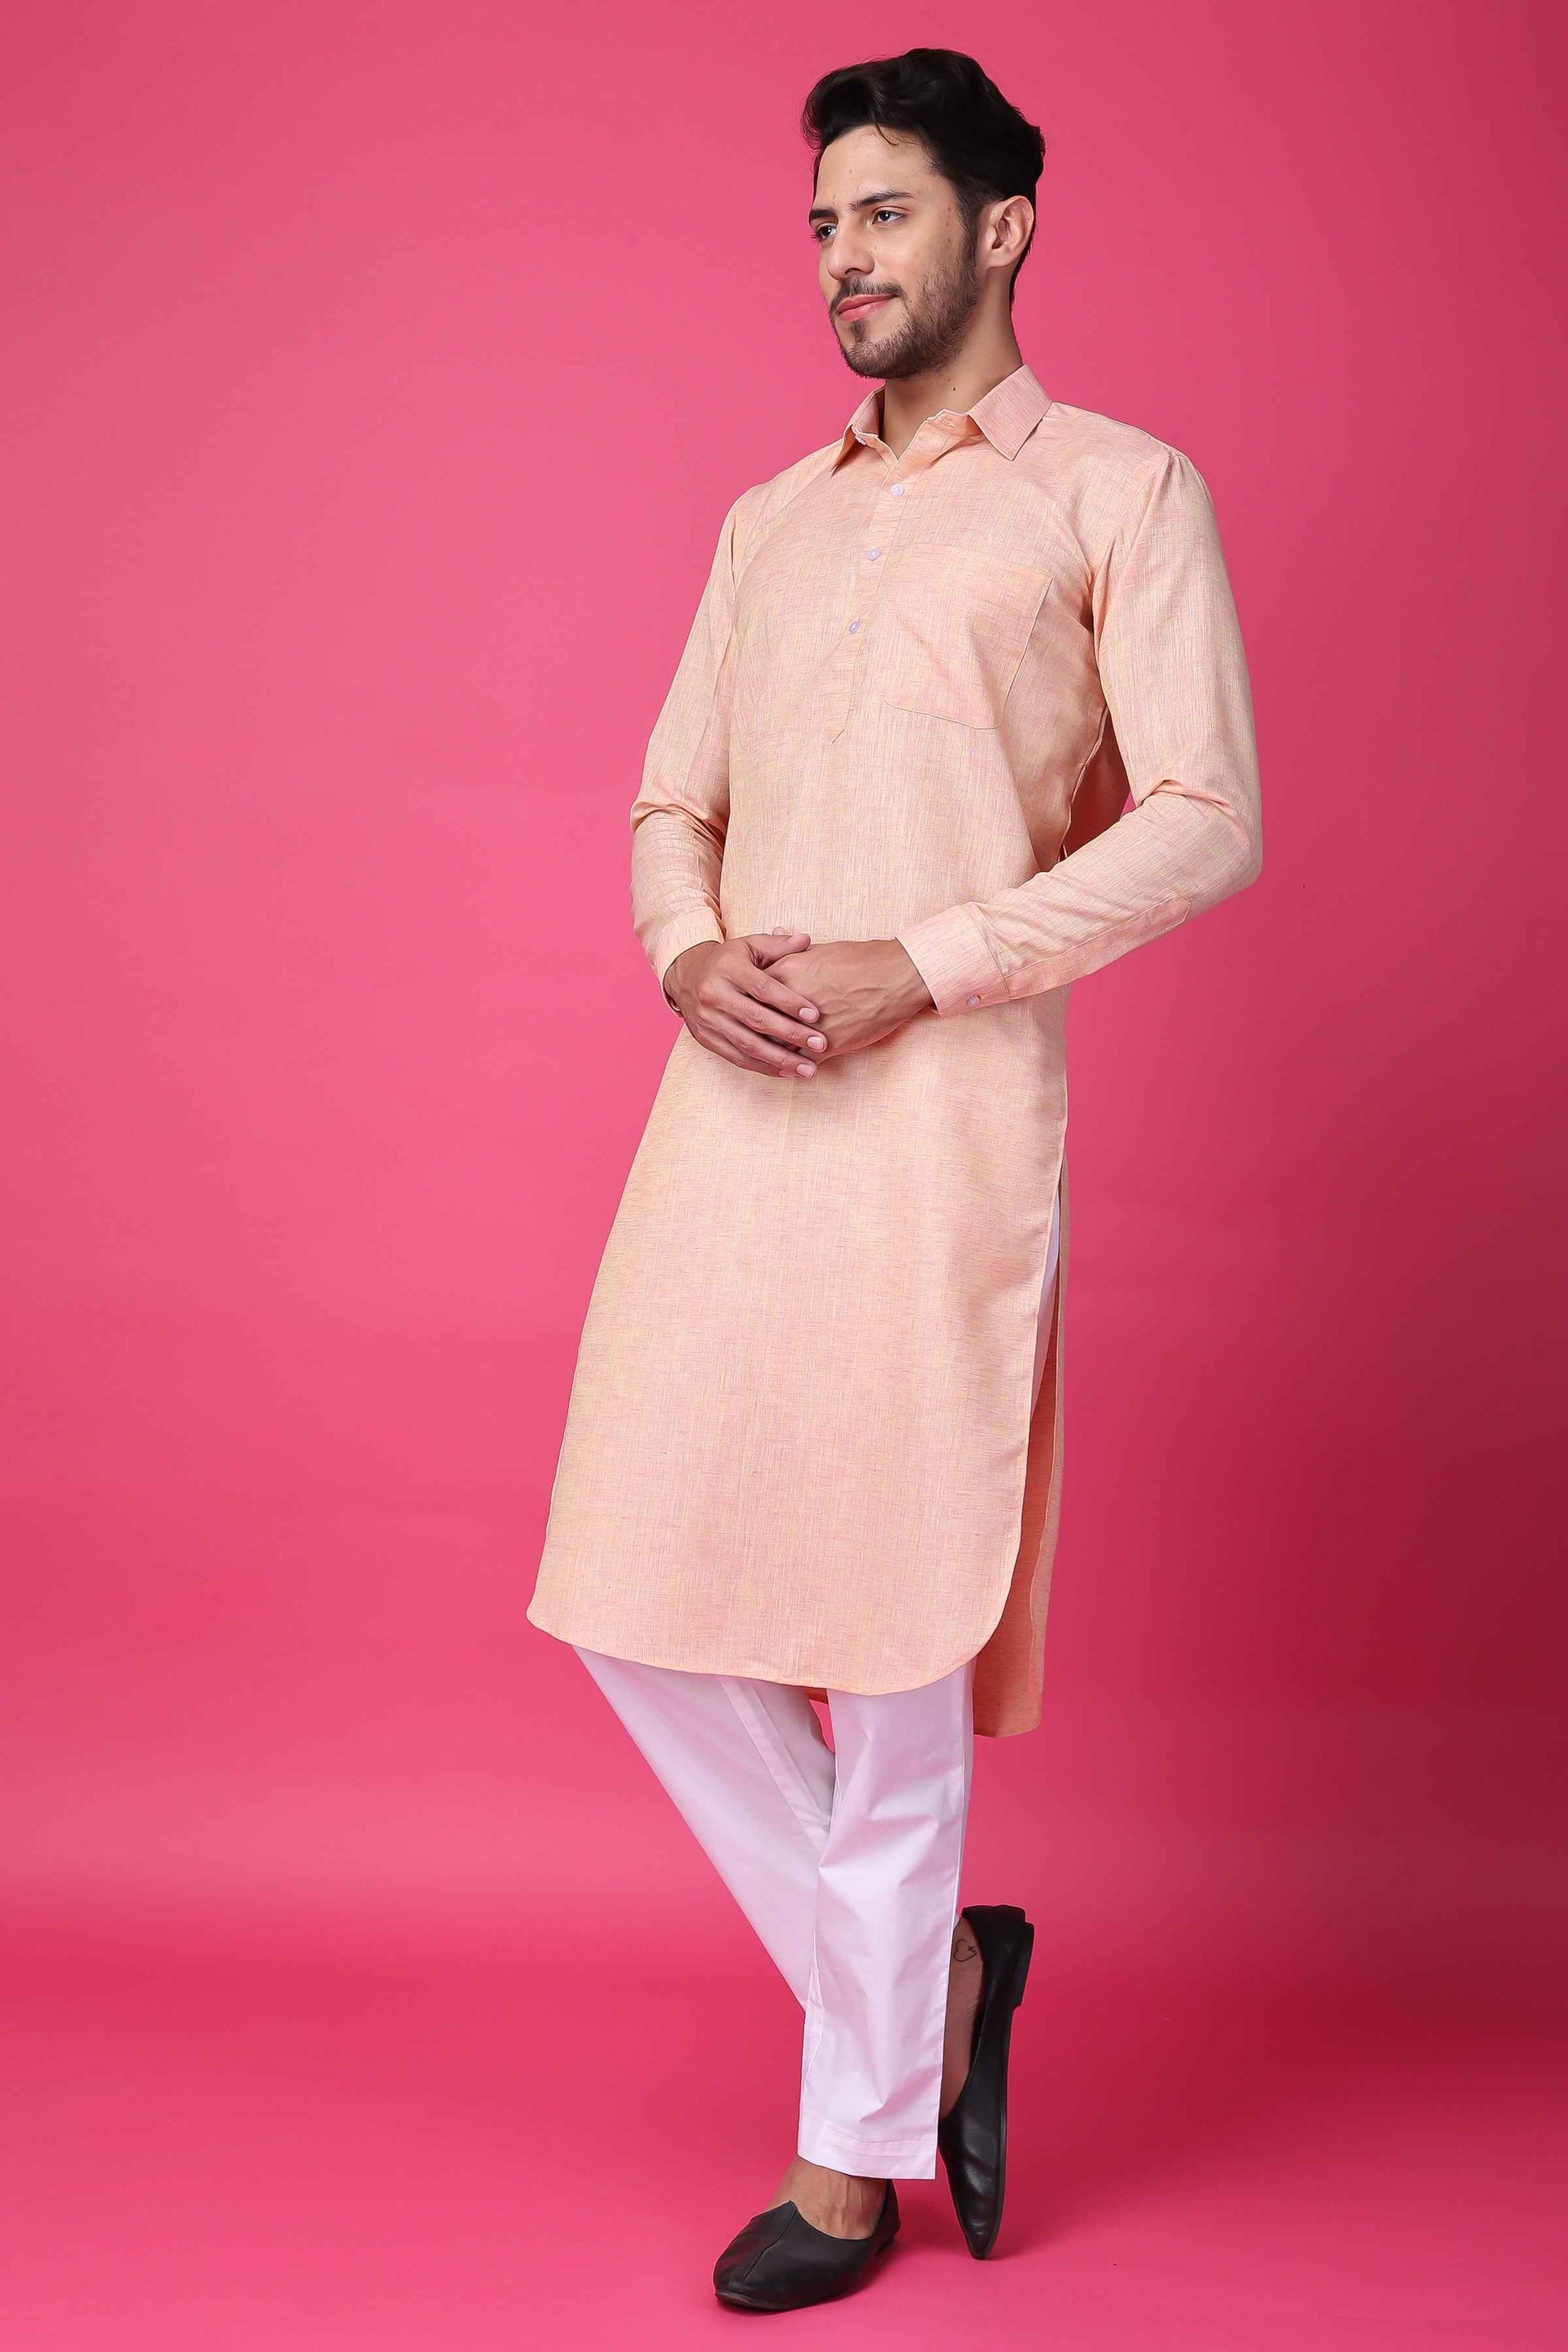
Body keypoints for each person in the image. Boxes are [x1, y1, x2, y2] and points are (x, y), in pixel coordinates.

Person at [527, 45, 1262, 2313]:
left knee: (896, 1626)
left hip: (942, 1120)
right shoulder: (771, 519)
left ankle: (848, 2161)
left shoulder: (1116, 494)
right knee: (627, 1590)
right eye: (825, 224)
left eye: (886, 214)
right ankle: (936, 1973)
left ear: (1000, 227)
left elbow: (1205, 813)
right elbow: (671, 801)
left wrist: (921, 965)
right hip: (733, 1106)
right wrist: (686, 954)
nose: (845, 258)